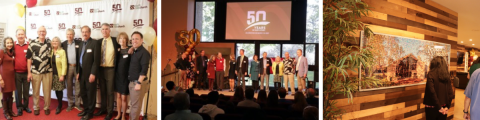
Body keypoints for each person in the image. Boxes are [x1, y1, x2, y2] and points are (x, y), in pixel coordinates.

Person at [95, 23, 120, 120]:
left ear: (109, 31)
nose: (104, 31)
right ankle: (103, 109)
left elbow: (123, 46)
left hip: (111, 69)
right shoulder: (98, 42)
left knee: (110, 92)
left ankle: (109, 112)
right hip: (101, 69)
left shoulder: (115, 40)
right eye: (103, 29)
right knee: (102, 91)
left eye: (106, 29)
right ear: (101, 31)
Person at [27, 26, 53, 115]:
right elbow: (29, 59)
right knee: (36, 91)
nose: (42, 33)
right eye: (40, 31)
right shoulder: (32, 43)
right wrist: (29, 72)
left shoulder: (50, 43)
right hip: (35, 72)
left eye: (43, 31)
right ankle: (36, 107)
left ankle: (46, 107)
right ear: (37, 32)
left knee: (47, 91)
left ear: (46, 32)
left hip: (48, 71)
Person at [77, 26, 101, 120]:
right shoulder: (81, 43)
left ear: (90, 33)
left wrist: (93, 73)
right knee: (83, 93)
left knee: (90, 94)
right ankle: (86, 110)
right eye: (83, 32)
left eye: (86, 32)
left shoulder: (95, 43)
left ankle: (90, 113)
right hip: (82, 73)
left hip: (90, 74)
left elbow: (96, 60)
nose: (84, 33)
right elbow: (79, 59)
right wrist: (78, 72)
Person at [128, 31, 151, 120]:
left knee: (136, 107)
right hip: (132, 82)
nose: (134, 41)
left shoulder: (144, 53)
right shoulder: (135, 51)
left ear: (142, 40)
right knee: (134, 105)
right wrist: (132, 49)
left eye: (137, 39)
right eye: (133, 39)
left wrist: (138, 83)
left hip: (137, 83)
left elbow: (144, 70)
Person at [61, 28, 83, 112]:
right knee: (69, 86)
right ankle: (70, 104)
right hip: (68, 67)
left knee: (78, 86)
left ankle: (77, 104)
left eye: (71, 34)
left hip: (77, 67)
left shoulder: (79, 43)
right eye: (68, 34)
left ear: (73, 35)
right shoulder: (63, 44)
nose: (69, 36)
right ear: (66, 35)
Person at [13, 29, 32, 116]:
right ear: (16, 36)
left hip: (27, 72)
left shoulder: (29, 45)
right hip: (16, 73)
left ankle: (26, 106)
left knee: (26, 91)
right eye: (19, 34)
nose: (20, 36)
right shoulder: (13, 45)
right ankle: (19, 107)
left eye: (22, 34)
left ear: (25, 36)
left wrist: (29, 72)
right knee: (18, 92)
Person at [114, 32, 131, 120]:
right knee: (118, 96)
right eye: (120, 38)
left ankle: (124, 115)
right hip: (117, 76)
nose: (122, 40)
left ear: (126, 40)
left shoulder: (130, 50)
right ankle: (118, 114)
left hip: (126, 77)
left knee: (124, 97)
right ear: (118, 40)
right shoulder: (117, 50)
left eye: (124, 39)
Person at [49, 37, 68, 115]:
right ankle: (59, 103)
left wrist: (62, 75)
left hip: (59, 74)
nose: (54, 42)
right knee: (56, 90)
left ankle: (60, 105)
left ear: (59, 42)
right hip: (51, 74)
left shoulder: (62, 51)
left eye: (56, 41)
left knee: (59, 90)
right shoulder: (50, 51)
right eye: (53, 41)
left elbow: (64, 64)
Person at [1, 37, 17, 120]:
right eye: (8, 43)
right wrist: (0, 79)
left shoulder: (12, 52)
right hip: (4, 77)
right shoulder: (1, 52)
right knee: (5, 94)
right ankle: (5, 112)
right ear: (4, 44)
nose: (10, 44)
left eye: (11, 42)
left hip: (11, 76)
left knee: (10, 94)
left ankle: (10, 111)